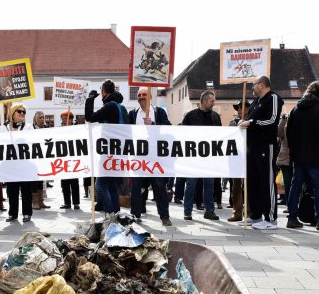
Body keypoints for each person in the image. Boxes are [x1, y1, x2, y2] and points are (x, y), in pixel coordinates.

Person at [286, 81, 319, 230]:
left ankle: (292, 218)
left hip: (298, 156)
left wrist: (294, 151)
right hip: (315, 157)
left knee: (295, 187)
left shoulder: (296, 109)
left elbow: (288, 132)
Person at [240, 76, 283, 229]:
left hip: (266, 145)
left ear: (262, 85)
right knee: (253, 182)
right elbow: (250, 118)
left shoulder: (273, 98)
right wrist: (244, 121)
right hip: (252, 147)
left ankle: (271, 218)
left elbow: (272, 120)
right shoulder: (256, 101)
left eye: (254, 85)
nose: (252, 88)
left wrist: (251, 123)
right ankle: (256, 215)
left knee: (266, 181)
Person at [128, 87, 171, 226]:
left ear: (150, 96)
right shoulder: (133, 114)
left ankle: (164, 216)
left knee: (159, 186)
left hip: (155, 157)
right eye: (139, 95)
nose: (141, 97)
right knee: (136, 188)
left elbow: (167, 128)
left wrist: (152, 124)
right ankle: (135, 215)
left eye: (144, 94)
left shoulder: (159, 112)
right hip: (138, 156)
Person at [85, 79, 127, 213]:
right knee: (112, 184)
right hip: (117, 150)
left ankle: (110, 213)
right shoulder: (121, 107)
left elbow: (90, 117)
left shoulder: (110, 106)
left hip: (108, 150)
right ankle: (116, 212)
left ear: (104, 91)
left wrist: (90, 100)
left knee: (100, 185)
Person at [181, 90, 221, 221]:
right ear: (204, 101)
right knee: (191, 185)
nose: (214, 103)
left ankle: (209, 211)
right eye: (212, 101)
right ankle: (187, 211)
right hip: (193, 157)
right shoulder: (190, 116)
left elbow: (220, 136)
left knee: (209, 184)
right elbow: (183, 135)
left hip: (210, 157)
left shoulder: (216, 116)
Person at [3, 103, 34, 222]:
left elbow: (30, 140)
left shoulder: (29, 126)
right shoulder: (4, 127)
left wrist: (16, 133)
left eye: (23, 112)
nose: (22, 114)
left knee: (26, 189)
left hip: (25, 163)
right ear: (12, 113)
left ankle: (27, 213)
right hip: (10, 163)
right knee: (12, 190)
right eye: (19, 111)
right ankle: (12, 213)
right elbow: (0, 142)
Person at [227, 101, 249, 222]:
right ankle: (237, 212)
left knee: (249, 186)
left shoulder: (252, 120)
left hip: (248, 155)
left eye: (242, 107)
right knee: (236, 186)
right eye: (238, 108)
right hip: (236, 157)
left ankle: (249, 212)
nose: (239, 110)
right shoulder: (233, 123)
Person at [58, 109, 81, 211]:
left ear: (71, 120)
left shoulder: (76, 129)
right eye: (62, 118)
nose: (63, 120)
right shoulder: (59, 129)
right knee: (64, 182)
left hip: (73, 158)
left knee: (74, 182)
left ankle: (76, 203)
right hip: (63, 158)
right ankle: (67, 202)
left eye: (65, 118)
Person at [30, 110, 51, 210]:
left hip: (43, 157)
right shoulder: (31, 128)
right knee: (34, 180)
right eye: (40, 118)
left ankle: (40, 201)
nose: (42, 119)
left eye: (43, 117)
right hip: (34, 157)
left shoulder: (46, 128)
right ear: (35, 119)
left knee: (41, 180)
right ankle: (34, 202)